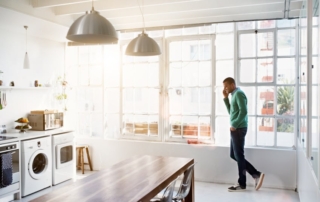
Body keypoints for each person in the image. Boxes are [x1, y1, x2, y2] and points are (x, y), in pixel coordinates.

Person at [222, 77, 265, 192]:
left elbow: (244, 111)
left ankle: (242, 184)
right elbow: (232, 112)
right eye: (224, 86)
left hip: (239, 129)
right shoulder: (234, 95)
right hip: (235, 128)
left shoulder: (239, 94)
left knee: (239, 156)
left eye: (226, 86)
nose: (225, 89)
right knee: (234, 155)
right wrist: (226, 99)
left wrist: (234, 125)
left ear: (232, 85)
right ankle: (256, 174)